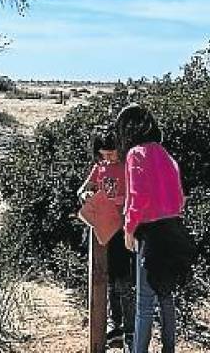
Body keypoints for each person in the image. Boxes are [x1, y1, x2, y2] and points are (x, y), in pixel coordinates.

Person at [115, 104, 194, 353]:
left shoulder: (135, 154)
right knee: (166, 296)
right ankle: (169, 349)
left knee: (144, 303)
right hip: (173, 228)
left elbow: (138, 196)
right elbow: (180, 197)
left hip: (150, 234)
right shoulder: (165, 153)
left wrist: (129, 228)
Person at [77, 127, 135, 349]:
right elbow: (84, 189)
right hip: (103, 230)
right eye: (104, 154)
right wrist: (86, 194)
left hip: (122, 231)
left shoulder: (127, 166)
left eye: (112, 153)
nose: (108, 158)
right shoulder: (99, 167)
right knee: (108, 280)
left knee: (124, 282)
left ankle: (130, 328)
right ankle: (115, 324)